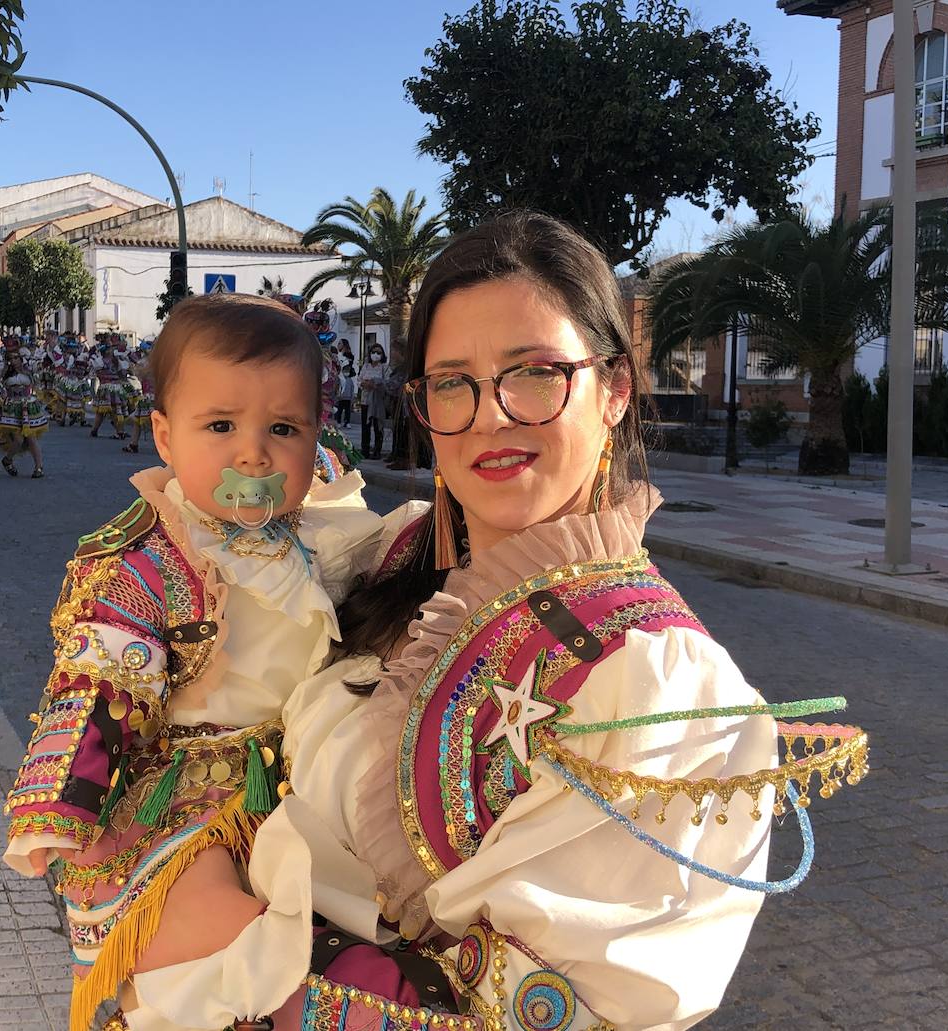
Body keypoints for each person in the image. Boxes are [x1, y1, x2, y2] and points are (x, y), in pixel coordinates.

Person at [124, 212, 868, 1031]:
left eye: (536, 372)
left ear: (615, 388)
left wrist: (229, 952)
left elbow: (553, 1010)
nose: (491, 415)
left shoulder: (657, 682)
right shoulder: (388, 554)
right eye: (452, 382)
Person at [0, 292, 383, 1031]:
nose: (253, 453)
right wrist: (60, 810)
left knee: (357, 924)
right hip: (183, 799)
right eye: (221, 426)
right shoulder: (149, 562)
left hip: (304, 786)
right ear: (165, 436)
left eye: (283, 428)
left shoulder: (325, 538)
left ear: (316, 439)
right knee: (218, 932)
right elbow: (99, 685)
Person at [0, 345, 48, 478]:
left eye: (16, 357)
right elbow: (0, 388)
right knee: (18, 439)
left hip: (28, 405)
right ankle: (8, 459)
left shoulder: (29, 370)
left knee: (31, 437)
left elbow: (38, 377)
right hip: (12, 407)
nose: (14, 360)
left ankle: (38, 467)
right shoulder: (4, 371)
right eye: (11, 358)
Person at [356, 342, 388, 460]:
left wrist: (376, 384)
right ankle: (365, 449)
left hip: (378, 401)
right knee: (366, 426)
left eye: (378, 352)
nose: (375, 355)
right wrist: (365, 383)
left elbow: (386, 382)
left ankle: (377, 450)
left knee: (377, 426)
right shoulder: (366, 366)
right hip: (366, 400)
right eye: (373, 352)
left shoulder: (384, 367)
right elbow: (359, 380)